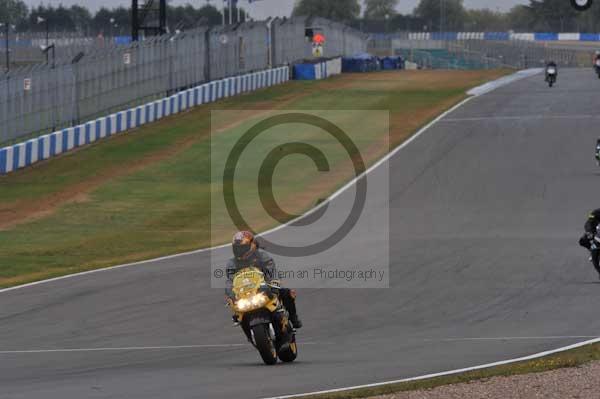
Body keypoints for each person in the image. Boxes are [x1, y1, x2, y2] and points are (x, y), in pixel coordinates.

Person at [226, 231, 302, 328]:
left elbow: (272, 272)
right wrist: (230, 295)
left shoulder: (262, 256)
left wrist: (274, 284)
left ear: (252, 245)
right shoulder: (231, 263)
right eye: (236, 249)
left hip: (266, 288)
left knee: (288, 293)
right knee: (238, 314)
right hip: (246, 292)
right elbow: (230, 281)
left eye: (242, 248)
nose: (239, 251)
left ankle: (293, 319)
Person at [578, 209, 600, 278]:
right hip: (596, 234)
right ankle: (591, 250)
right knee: (583, 240)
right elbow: (588, 223)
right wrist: (590, 231)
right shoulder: (596, 212)